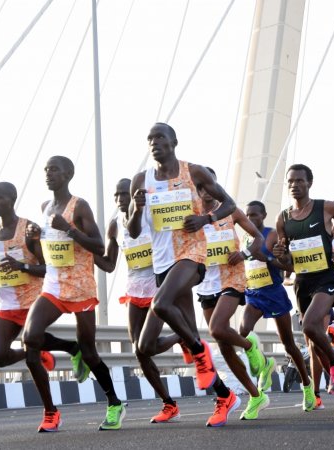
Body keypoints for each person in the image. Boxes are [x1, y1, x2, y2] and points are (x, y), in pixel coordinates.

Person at [127, 122, 239, 427]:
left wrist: (205, 219)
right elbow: (133, 230)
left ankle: (198, 348)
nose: (154, 142)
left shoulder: (195, 172)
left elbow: (230, 203)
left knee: (161, 305)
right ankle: (224, 394)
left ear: (174, 141)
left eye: (160, 137)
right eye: (149, 138)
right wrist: (136, 210)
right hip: (162, 264)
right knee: (144, 347)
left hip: (191, 256)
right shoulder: (141, 179)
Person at [22, 156, 124, 432]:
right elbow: (44, 253)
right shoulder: (45, 208)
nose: (48, 174)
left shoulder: (79, 206)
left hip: (80, 287)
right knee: (30, 337)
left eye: (54, 169)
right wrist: (33, 237)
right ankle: (70, 348)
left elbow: (99, 246)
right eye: (45, 169)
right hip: (54, 284)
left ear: (68, 174)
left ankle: (114, 403)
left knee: (91, 353)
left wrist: (69, 228)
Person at [94, 178, 182, 423]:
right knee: (139, 351)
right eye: (117, 194)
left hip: (157, 287)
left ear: (134, 195)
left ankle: (182, 337)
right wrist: (86, 250)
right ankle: (168, 403)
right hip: (134, 289)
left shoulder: (149, 217)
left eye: (125, 193)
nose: (121, 198)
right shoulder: (114, 226)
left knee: (146, 346)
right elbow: (109, 265)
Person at [273, 164, 334, 415]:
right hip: (302, 282)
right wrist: (280, 255)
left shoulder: (326, 207)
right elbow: (286, 262)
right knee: (313, 343)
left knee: (310, 326)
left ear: (309, 183)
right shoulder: (283, 218)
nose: (294, 185)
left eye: (299, 180)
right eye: (290, 181)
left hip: (326, 278)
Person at [196, 168, 270, 422]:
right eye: (199, 186)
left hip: (232, 278)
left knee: (217, 329)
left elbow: (258, 237)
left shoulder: (231, 211)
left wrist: (246, 254)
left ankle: (251, 345)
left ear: (215, 186)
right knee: (225, 348)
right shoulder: (192, 215)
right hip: (205, 283)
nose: (204, 190)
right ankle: (255, 395)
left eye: (208, 185)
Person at [0, 182, 79, 377]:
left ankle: (51, 408)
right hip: (7, 304)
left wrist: (22, 267)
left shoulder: (28, 228)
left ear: (12, 199)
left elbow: (47, 268)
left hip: (31, 301)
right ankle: (63, 348)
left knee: (32, 361)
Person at [240, 200, 314, 411]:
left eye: (255, 215)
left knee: (289, 345)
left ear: (263, 215)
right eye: (247, 215)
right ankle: (264, 363)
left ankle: (307, 385)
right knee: (244, 330)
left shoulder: (271, 235)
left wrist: (266, 257)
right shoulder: (245, 238)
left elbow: (287, 266)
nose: (250, 218)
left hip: (273, 293)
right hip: (253, 293)